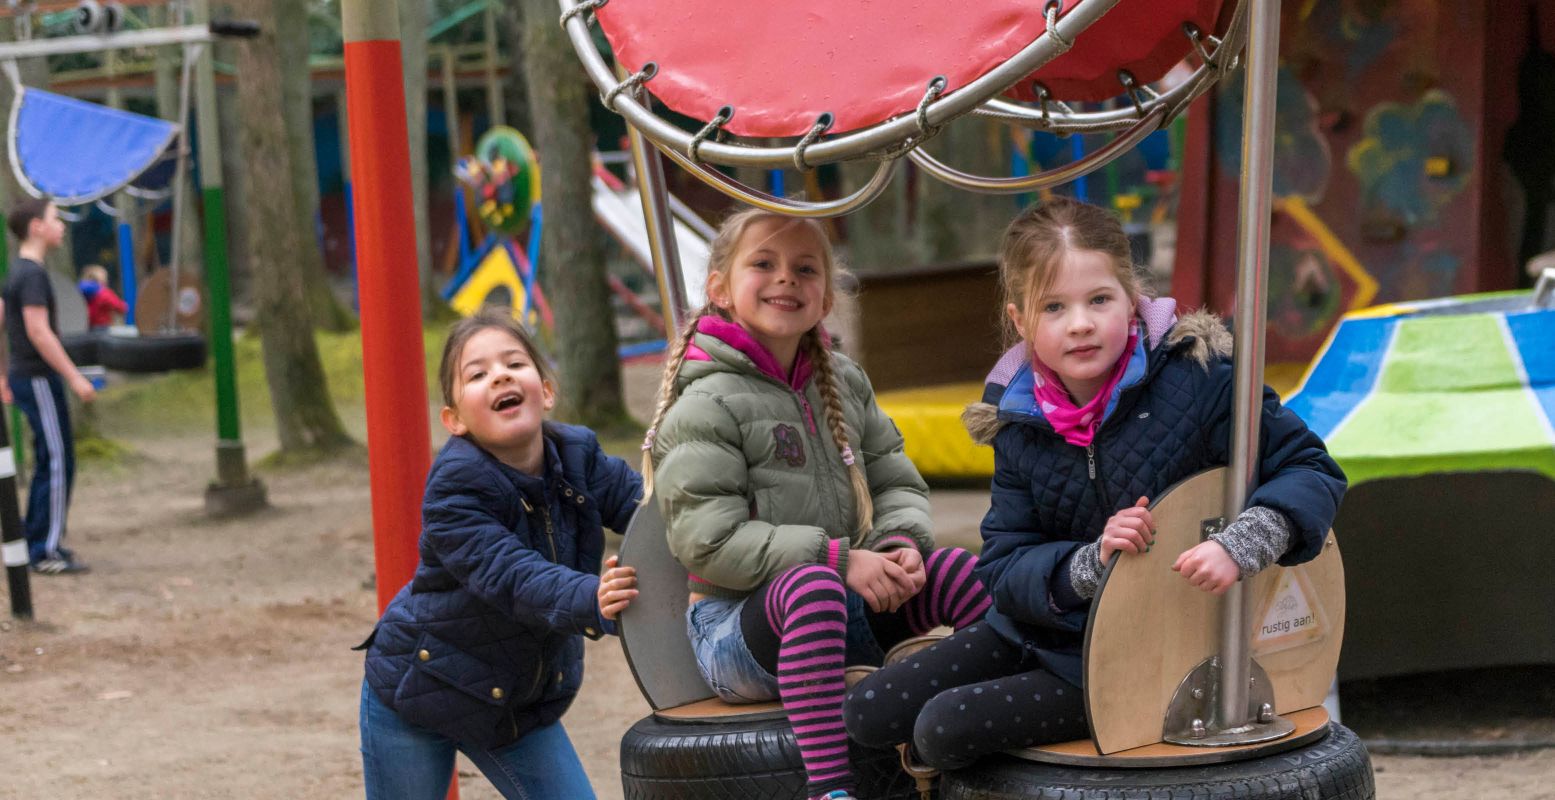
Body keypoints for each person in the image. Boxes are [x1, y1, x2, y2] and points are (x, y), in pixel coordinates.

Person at [844, 197, 1347, 769]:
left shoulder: (1200, 378)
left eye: (1099, 300)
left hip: (1148, 652)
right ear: (1021, 321)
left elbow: (1311, 469)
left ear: (1132, 300)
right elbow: (1004, 566)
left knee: (942, 729)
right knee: (869, 711)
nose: (1079, 323)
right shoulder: (1018, 418)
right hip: (1044, 633)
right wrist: (1088, 563)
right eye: (1053, 307)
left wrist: (1239, 545)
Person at [642, 208, 991, 800]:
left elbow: (897, 481)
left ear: (827, 296)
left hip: (842, 598)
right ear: (719, 287)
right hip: (737, 632)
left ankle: (976, 738)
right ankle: (831, 789)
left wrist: (898, 544)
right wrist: (838, 560)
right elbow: (709, 540)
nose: (786, 279)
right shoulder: (704, 404)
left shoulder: (845, 383)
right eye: (763, 264)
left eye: (806, 269)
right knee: (813, 587)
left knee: (961, 571)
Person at [357, 309, 642, 799]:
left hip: (512, 706)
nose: (500, 375)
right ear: (455, 421)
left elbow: (648, 512)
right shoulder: (454, 490)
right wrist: (593, 595)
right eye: (477, 373)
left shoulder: (579, 456)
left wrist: (706, 525)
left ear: (546, 390)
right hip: (418, 692)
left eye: (514, 363)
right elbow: (513, 577)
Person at [0, 197, 96, 575]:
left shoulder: (16, 272)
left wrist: (3, 375)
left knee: (47, 459)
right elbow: (38, 332)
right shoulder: (33, 275)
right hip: (39, 378)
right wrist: (74, 377)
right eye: (56, 219)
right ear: (36, 227)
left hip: (26, 377)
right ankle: (46, 550)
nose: (62, 226)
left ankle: (34, 537)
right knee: (58, 461)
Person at [78, 264, 128, 329]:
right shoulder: (103, 292)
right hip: (101, 328)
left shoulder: (80, 291)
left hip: (85, 327)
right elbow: (120, 307)